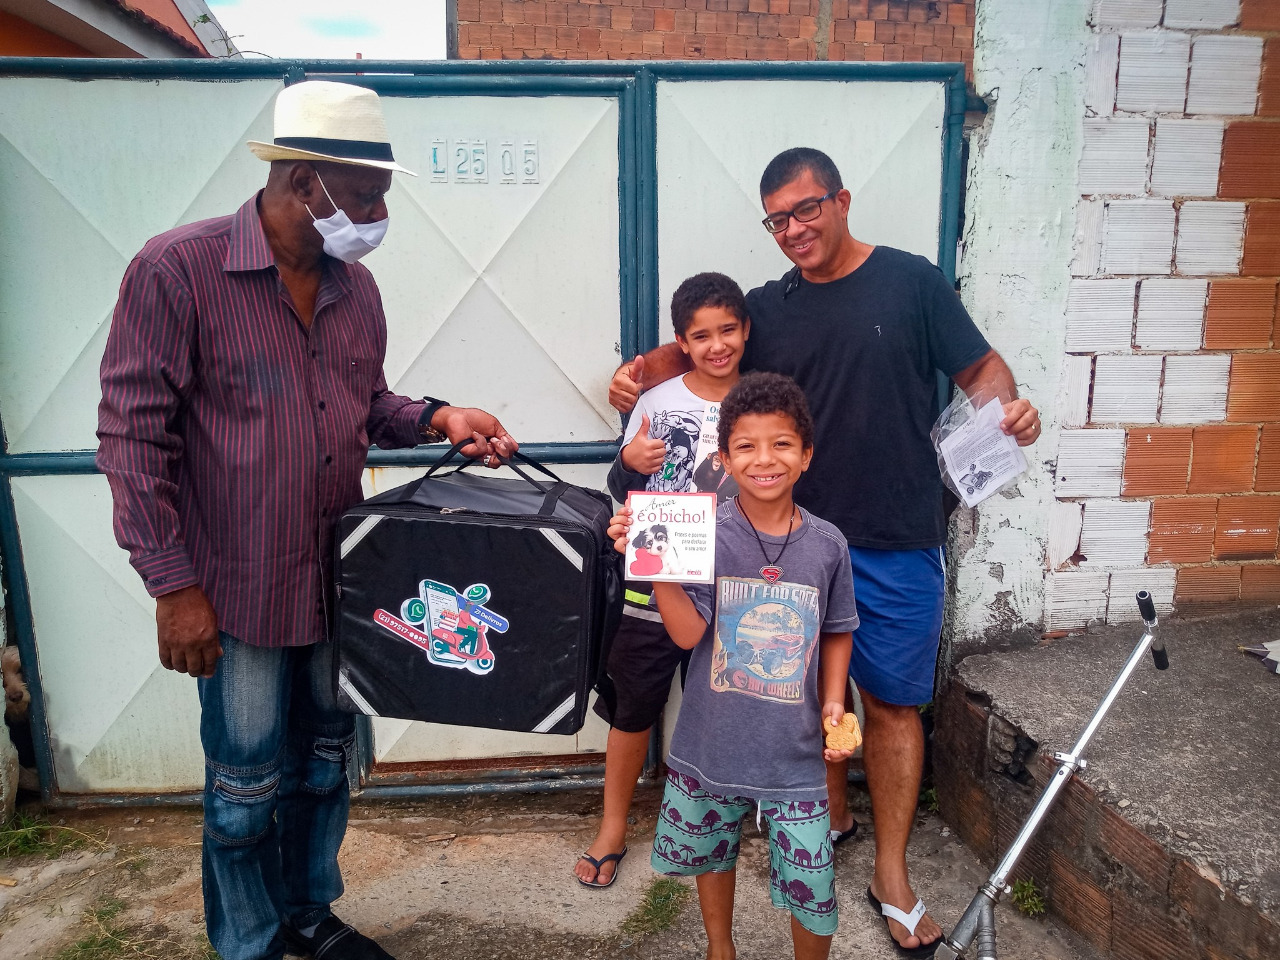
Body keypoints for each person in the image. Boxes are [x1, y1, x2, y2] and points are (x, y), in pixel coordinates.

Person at [97, 80, 516, 960]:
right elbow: (133, 438)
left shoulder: (355, 289)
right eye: (366, 195)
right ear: (303, 183)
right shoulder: (176, 271)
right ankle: (249, 943)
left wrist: (438, 417)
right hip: (234, 589)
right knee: (245, 783)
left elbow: (364, 404)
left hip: (338, 579)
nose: (379, 213)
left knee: (325, 764)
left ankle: (309, 917)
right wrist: (172, 586)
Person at [608, 147, 1041, 955]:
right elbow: (705, 349)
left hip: (896, 535)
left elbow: (981, 367)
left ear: (840, 200)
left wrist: (1006, 409)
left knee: (891, 703)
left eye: (807, 210)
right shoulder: (771, 307)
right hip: (782, 543)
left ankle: (891, 875)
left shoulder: (911, 283)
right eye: (778, 219)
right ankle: (826, 817)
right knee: (786, 693)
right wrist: (637, 376)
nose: (794, 229)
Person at [607, 372, 859, 960]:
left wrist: (833, 701)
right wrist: (656, 563)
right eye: (745, 446)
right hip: (713, 741)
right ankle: (720, 949)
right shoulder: (701, 532)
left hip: (796, 754)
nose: (764, 459)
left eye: (782, 444)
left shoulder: (829, 545)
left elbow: (838, 629)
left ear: (806, 455)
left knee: (813, 888)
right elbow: (689, 632)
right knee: (711, 853)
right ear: (723, 458)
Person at [574, 271, 750, 888]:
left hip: (737, 573)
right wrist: (628, 461)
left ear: (747, 331)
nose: (716, 345)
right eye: (700, 335)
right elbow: (621, 490)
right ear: (681, 340)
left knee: (733, 697)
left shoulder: (761, 398)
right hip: (658, 570)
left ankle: (726, 817)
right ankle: (613, 825)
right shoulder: (657, 400)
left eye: (728, 329)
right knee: (632, 702)